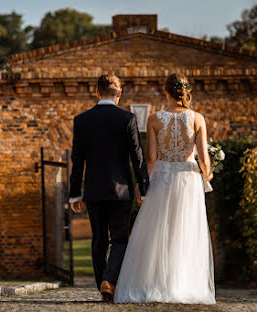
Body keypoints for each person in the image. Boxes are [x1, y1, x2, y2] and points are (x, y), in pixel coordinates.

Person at [114, 73, 216, 304]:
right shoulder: (197, 118)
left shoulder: (154, 119)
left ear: (166, 91)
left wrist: (143, 185)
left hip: (162, 178)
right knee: (186, 231)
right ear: (185, 90)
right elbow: (203, 157)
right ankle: (183, 284)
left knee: (158, 231)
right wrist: (207, 174)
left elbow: (150, 159)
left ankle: (156, 283)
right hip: (188, 180)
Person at [69, 73, 149, 301]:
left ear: (97, 92)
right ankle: (110, 280)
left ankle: (102, 284)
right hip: (121, 192)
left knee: (98, 240)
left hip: (94, 192)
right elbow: (138, 158)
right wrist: (143, 188)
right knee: (120, 239)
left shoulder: (82, 120)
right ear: (119, 94)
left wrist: (75, 194)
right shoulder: (127, 119)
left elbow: (78, 160)